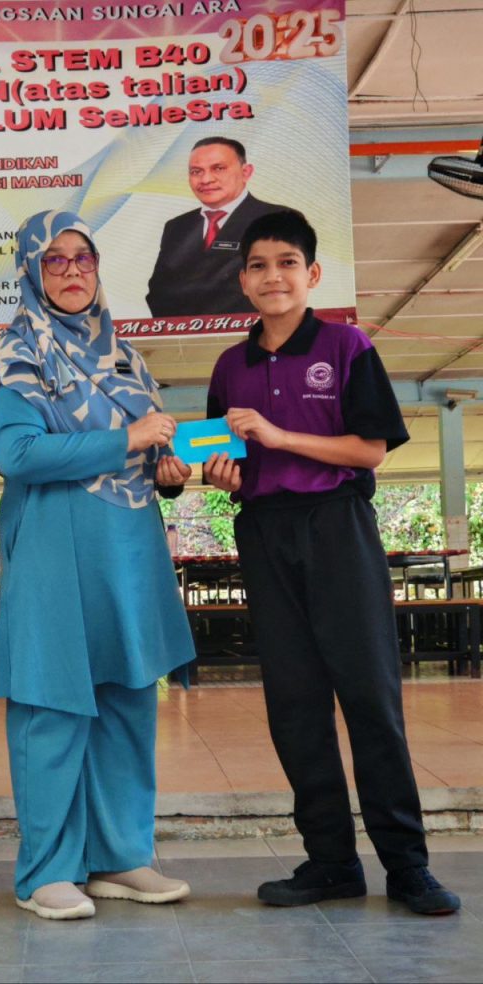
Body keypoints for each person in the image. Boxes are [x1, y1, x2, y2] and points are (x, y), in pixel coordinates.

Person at [198, 209, 460, 915]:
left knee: (370, 696)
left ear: (311, 274)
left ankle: (407, 864)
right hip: (264, 531)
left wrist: (281, 436)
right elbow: (228, 460)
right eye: (258, 266)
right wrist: (222, 474)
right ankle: (331, 862)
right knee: (294, 703)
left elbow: (370, 450)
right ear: (243, 281)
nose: (272, 276)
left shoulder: (346, 346)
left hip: (338, 526)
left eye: (287, 263)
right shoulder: (229, 366)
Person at [0, 210, 195, 921]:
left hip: (129, 550)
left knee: (128, 700)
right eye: (53, 260)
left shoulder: (125, 357)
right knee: (53, 704)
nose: (71, 271)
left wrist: (169, 471)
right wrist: (128, 440)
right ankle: (47, 871)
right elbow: (20, 454)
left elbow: (151, 449)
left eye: (82, 258)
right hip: (54, 551)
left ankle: (121, 855)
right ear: (31, 272)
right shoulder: (17, 357)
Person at [146, 137, 283, 318]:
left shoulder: (278, 219)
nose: (206, 179)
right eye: (196, 171)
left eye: (218, 168)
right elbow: (158, 292)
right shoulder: (177, 226)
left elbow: (274, 285)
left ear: (246, 172)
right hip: (184, 332)